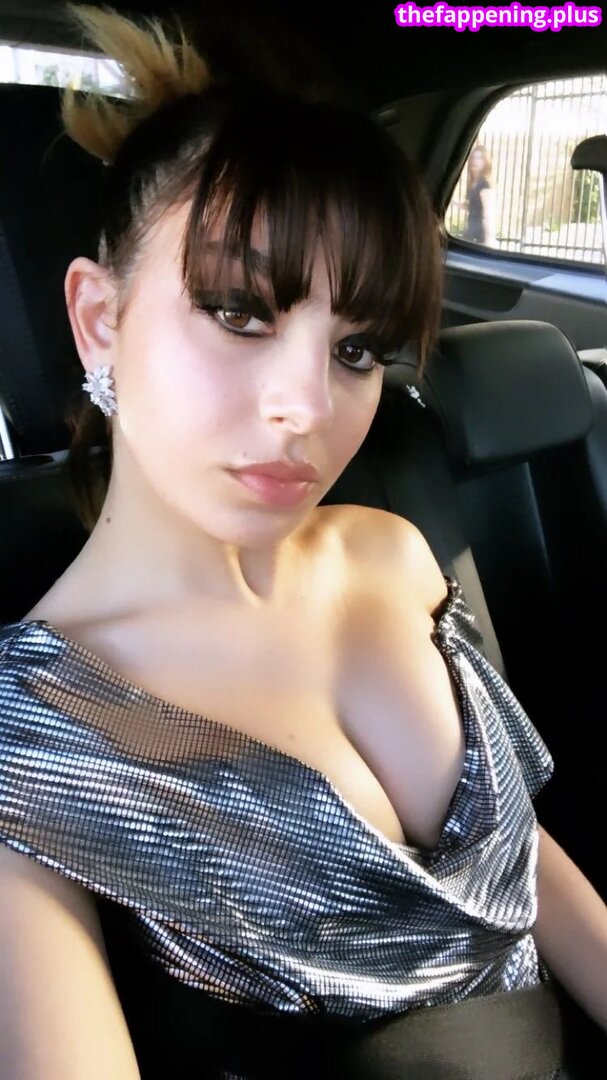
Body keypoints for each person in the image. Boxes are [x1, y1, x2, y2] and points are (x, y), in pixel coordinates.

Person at [0, 6, 605, 1079]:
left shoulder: (392, 552)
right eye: (239, 314)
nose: (308, 407)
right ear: (100, 321)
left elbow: (522, 866)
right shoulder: (32, 740)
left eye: (357, 348)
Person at [462, 144, 497, 246]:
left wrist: (489, 239)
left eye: (480, 158)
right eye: (473, 157)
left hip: (479, 236)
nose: (475, 161)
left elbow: (488, 213)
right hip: (471, 232)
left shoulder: (485, 185)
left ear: (486, 162)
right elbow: (471, 206)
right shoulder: (474, 183)